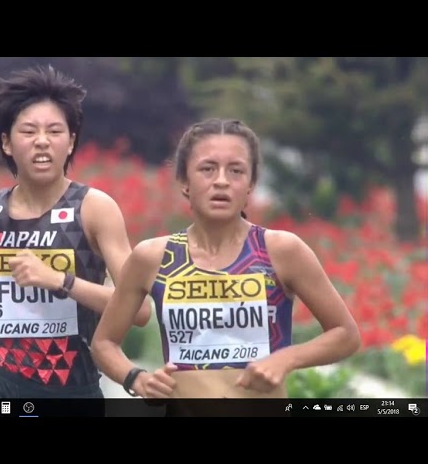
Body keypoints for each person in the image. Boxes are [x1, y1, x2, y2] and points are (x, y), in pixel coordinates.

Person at [90, 117, 362, 416]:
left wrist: (286, 359)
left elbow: (345, 334)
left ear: (251, 184)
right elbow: (104, 343)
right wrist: (136, 379)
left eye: (236, 171)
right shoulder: (152, 257)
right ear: (184, 182)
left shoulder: (282, 250)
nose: (221, 181)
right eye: (207, 169)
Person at [0, 65, 151, 400]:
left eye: (55, 131)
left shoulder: (93, 209)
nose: (42, 142)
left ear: (71, 142)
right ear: (7, 143)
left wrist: (61, 281)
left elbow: (139, 311)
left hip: (71, 391)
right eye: (28, 131)